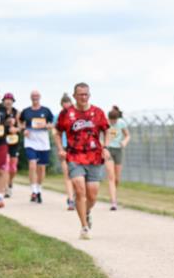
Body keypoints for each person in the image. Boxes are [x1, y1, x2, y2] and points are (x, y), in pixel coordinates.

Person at [54, 83, 109, 239]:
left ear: (89, 95)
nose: (83, 97)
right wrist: (60, 148)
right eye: (80, 95)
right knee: (79, 190)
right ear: (74, 96)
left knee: (92, 195)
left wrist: (105, 146)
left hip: (95, 157)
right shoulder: (66, 113)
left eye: (86, 94)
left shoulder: (97, 112)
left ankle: (87, 211)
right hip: (74, 156)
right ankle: (84, 227)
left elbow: (106, 130)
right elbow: (57, 132)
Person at [19, 90, 55, 204]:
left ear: (40, 97)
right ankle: (33, 190)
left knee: (41, 169)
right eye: (33, 96)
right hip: (30, 141)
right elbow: (20, 122)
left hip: (43, 142)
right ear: (30, 98)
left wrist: (47, 125)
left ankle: (39, 189)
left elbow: (52, 124)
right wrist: (23, 130)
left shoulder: (46, 110)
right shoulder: (26, 111)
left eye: (37, 96)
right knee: (32, 164)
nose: (35, 98)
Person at [104, 105, 130, 210]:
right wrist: (103, 146)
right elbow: (99, 135)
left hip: (118, 149)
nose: (112, 123)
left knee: (117, 178)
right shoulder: (105, 123)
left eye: (114, 121)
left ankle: (114, 193)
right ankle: (113, 202)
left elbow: (128, 135)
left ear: (117, 119)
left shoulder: (121, 123)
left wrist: (124, 141)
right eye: (111, 121)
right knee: (111, 176)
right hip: (108, 150)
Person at [57, 94, 76, 210]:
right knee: (67, 174)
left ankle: (75, 194)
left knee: (76, 174)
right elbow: (56, 133)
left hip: (76, 148)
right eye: (64, 108)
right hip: (64, 147)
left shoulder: (77, 114)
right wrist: (60, 149)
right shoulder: (59, 116)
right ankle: (71, 199)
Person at [1, 93, 21, 198]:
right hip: (2, 141)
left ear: (13, 101)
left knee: (13, 168)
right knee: (6, 164)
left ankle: (9, 182)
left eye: (10, 100)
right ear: (3, 101)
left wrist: (16, 129)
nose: (8, 101)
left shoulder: (16, 113)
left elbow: (21, 126)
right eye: (6, 100)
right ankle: (5, 189)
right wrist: (6, 124)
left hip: (14, 141)